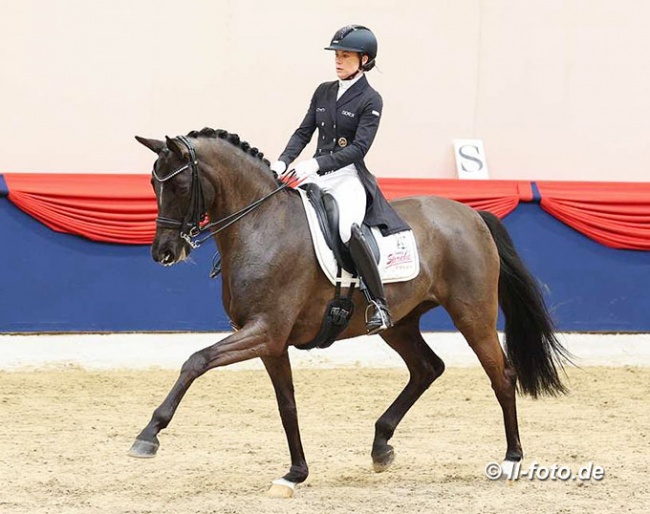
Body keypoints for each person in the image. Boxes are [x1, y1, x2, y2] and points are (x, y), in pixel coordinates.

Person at [270, 24, 410, 335]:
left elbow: (359, 148)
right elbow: (304, 132)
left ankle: (378, 304)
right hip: (315, 176)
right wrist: (282, 160)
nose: (338, 60)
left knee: (348, 228)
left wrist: (315, 164)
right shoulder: (323, 91)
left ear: (364, 59)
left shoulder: (371, 99)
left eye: (345, 55)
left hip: (347, 177)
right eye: (336, 55)